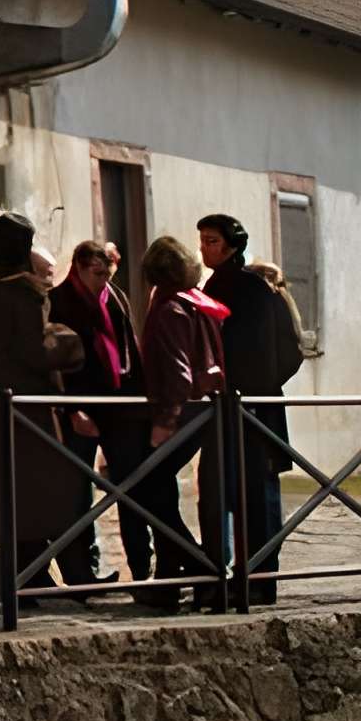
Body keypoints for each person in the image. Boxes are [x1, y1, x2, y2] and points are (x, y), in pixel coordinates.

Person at [0, 213, 104, 599]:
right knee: (52, 494)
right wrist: (71, 339)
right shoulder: (22, 292)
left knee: (10, 496)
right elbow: (37, 348)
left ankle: (31, 576)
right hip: (29, 405)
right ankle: (68, 578)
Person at [199, 212, 301, 604]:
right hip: (253, 404)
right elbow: (289, 352)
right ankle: (253, 580)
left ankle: (247, 580)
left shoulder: (237, 289)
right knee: (247, 493)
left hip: (241, 407)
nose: (205, 248)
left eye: (211, 241)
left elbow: (282, 351)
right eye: (203, 241)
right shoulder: (250, 288)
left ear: (231, 246)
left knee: (245, 493)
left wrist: (248, 387)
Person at [134, 235, 230, 612]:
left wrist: (166, 419)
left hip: (183, 412)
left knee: (150, 490)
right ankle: (172, 578)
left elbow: (177, 372)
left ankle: (201, 569)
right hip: (203, 408)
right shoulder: (197, 303)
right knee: (159, 490)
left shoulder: (170, 308)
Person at [49, 238, 142, 583]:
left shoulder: (116, 298)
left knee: (130, 484)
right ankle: (82, 573)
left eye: (108, 272)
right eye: (97, 272)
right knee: (77, 491)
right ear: (79, 267)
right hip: (82, 406)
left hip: (119, 404)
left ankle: (142, 570)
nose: (104, 279)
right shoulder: (59, 301)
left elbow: (129, 345)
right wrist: (73, 408)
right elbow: (57, 362)